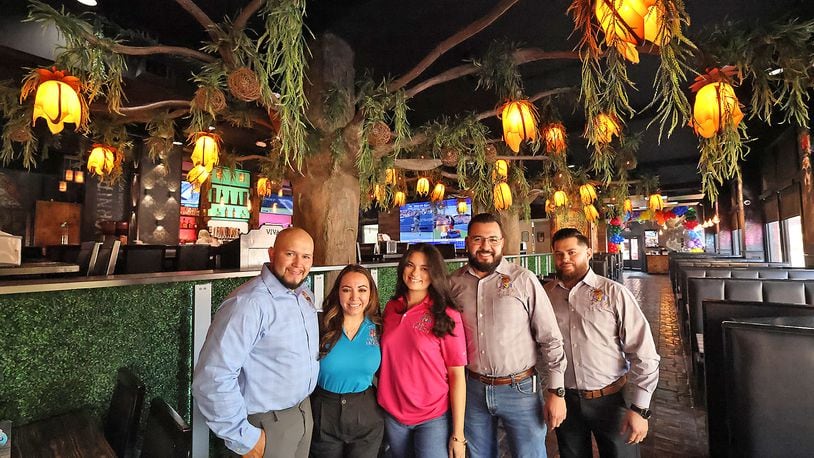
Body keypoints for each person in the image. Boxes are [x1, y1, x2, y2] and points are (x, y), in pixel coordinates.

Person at [448, 212, 567, 458]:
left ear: (502, 241)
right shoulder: (454, 283)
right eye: (478, 239)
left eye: (492, 239)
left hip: (520, 389)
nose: (485, 247)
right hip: (472, 390)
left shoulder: (523, 279)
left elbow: (550, 338)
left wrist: (556, 391)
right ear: (468, 241)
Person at [192, 227, 318, 458]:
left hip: (302, 414)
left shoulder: (304, 295)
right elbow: (212, 377)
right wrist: (244, 439)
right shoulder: (248, 304)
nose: (298, 263)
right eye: (290, 253)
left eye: (306, 256)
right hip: (265, 424)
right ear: (271, 254)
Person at [544, 228, 660, 458]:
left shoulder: (614, 293)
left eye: (571, 252)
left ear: (588, 253)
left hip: (610, 400)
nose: (565, 259)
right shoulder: (546, 296)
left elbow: (644, 353)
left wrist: (640, 408)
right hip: (565, 400)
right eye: (559, 254)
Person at [377, 243, 468, 458]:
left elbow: (457, 376)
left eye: (425, 268)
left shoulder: (446, 315)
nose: (415, 273)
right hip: (393, 414)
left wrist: (458, 435)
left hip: (432, 417)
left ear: (435, 273)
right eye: (410, 265)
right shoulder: (392, 308)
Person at [310, 265, 384, 458]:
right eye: (346, 290)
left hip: (366, 412)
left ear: (371, 294)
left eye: (362, 290)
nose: (354, 297)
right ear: (338, 292)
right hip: (325, 411)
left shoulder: (379, 327)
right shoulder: (320, 325)